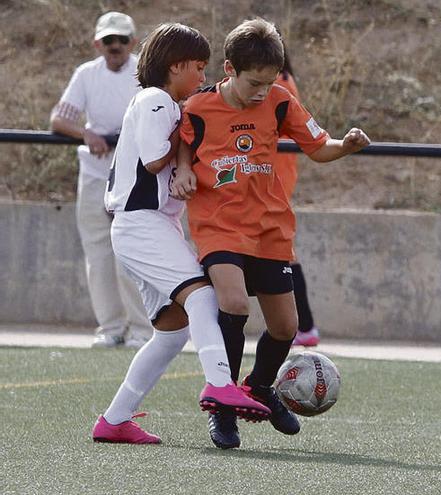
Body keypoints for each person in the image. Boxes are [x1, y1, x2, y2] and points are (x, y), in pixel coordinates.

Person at [172, 18, 370, 449]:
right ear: (229, 69)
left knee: (285, 326)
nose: (261, 91)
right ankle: (223, 409)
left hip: (269, 227)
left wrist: (347, 146)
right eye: (253, 82)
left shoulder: (280, 102)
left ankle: (259, 388)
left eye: (269, 81)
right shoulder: (199, 106)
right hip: (218, 224)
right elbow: (184, 140)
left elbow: (319, 148)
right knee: (235, 302)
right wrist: (185, 169)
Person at [92, 22, 270, 445]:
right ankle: (219, 384)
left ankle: (114, 420)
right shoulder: (157, 100)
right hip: (140, 223)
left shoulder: (165, 102)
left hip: (153, 224)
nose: (204, 77)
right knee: (203, 296)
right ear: (175, 67)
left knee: (172, 332)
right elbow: (156, 160)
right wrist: (193, 123)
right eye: (199, 68)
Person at [50, 11, 153, 348]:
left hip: (133, 176)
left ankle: (142, 328)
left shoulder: (144, 72)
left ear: (133, 42)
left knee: (130, 253)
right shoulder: (86, 74)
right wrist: (87, 133)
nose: (115, 46)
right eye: (109, 40)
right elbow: (58, 120)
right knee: (98, 254)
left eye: (122, 39)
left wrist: (129, 138)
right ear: (98, 43)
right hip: (95, 174)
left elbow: (160, 115)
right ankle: (110, 328)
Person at [274, 43, 320, 348]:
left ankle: (303, 325)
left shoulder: (277, 84)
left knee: (284, 249)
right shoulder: (283, 79)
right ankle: (304, 326)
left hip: (274, 172)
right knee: (285, 250)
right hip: (278, 170)